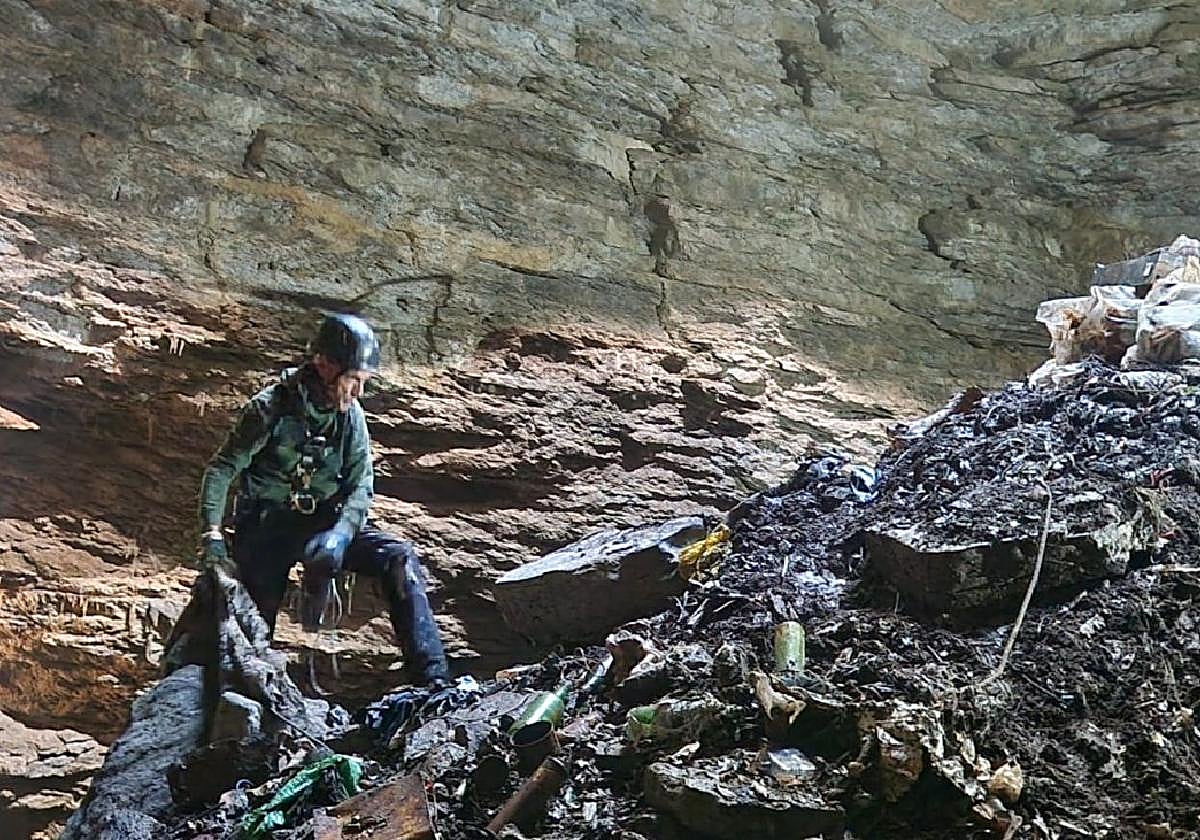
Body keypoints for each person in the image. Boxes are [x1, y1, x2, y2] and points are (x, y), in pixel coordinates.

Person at [196, 313, 449, 687]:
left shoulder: (350, 419)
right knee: (254, 612)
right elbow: (222, 469)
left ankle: (434, 681)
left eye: (363, 382)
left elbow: (362, 482)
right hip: (268, 527)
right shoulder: (270, 410)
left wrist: (343, 533)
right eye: (353, 380)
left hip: (323, 524)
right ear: (324, 365)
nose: (358, 392)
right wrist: (212, 536)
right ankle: (247, 695)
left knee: (398, 559)